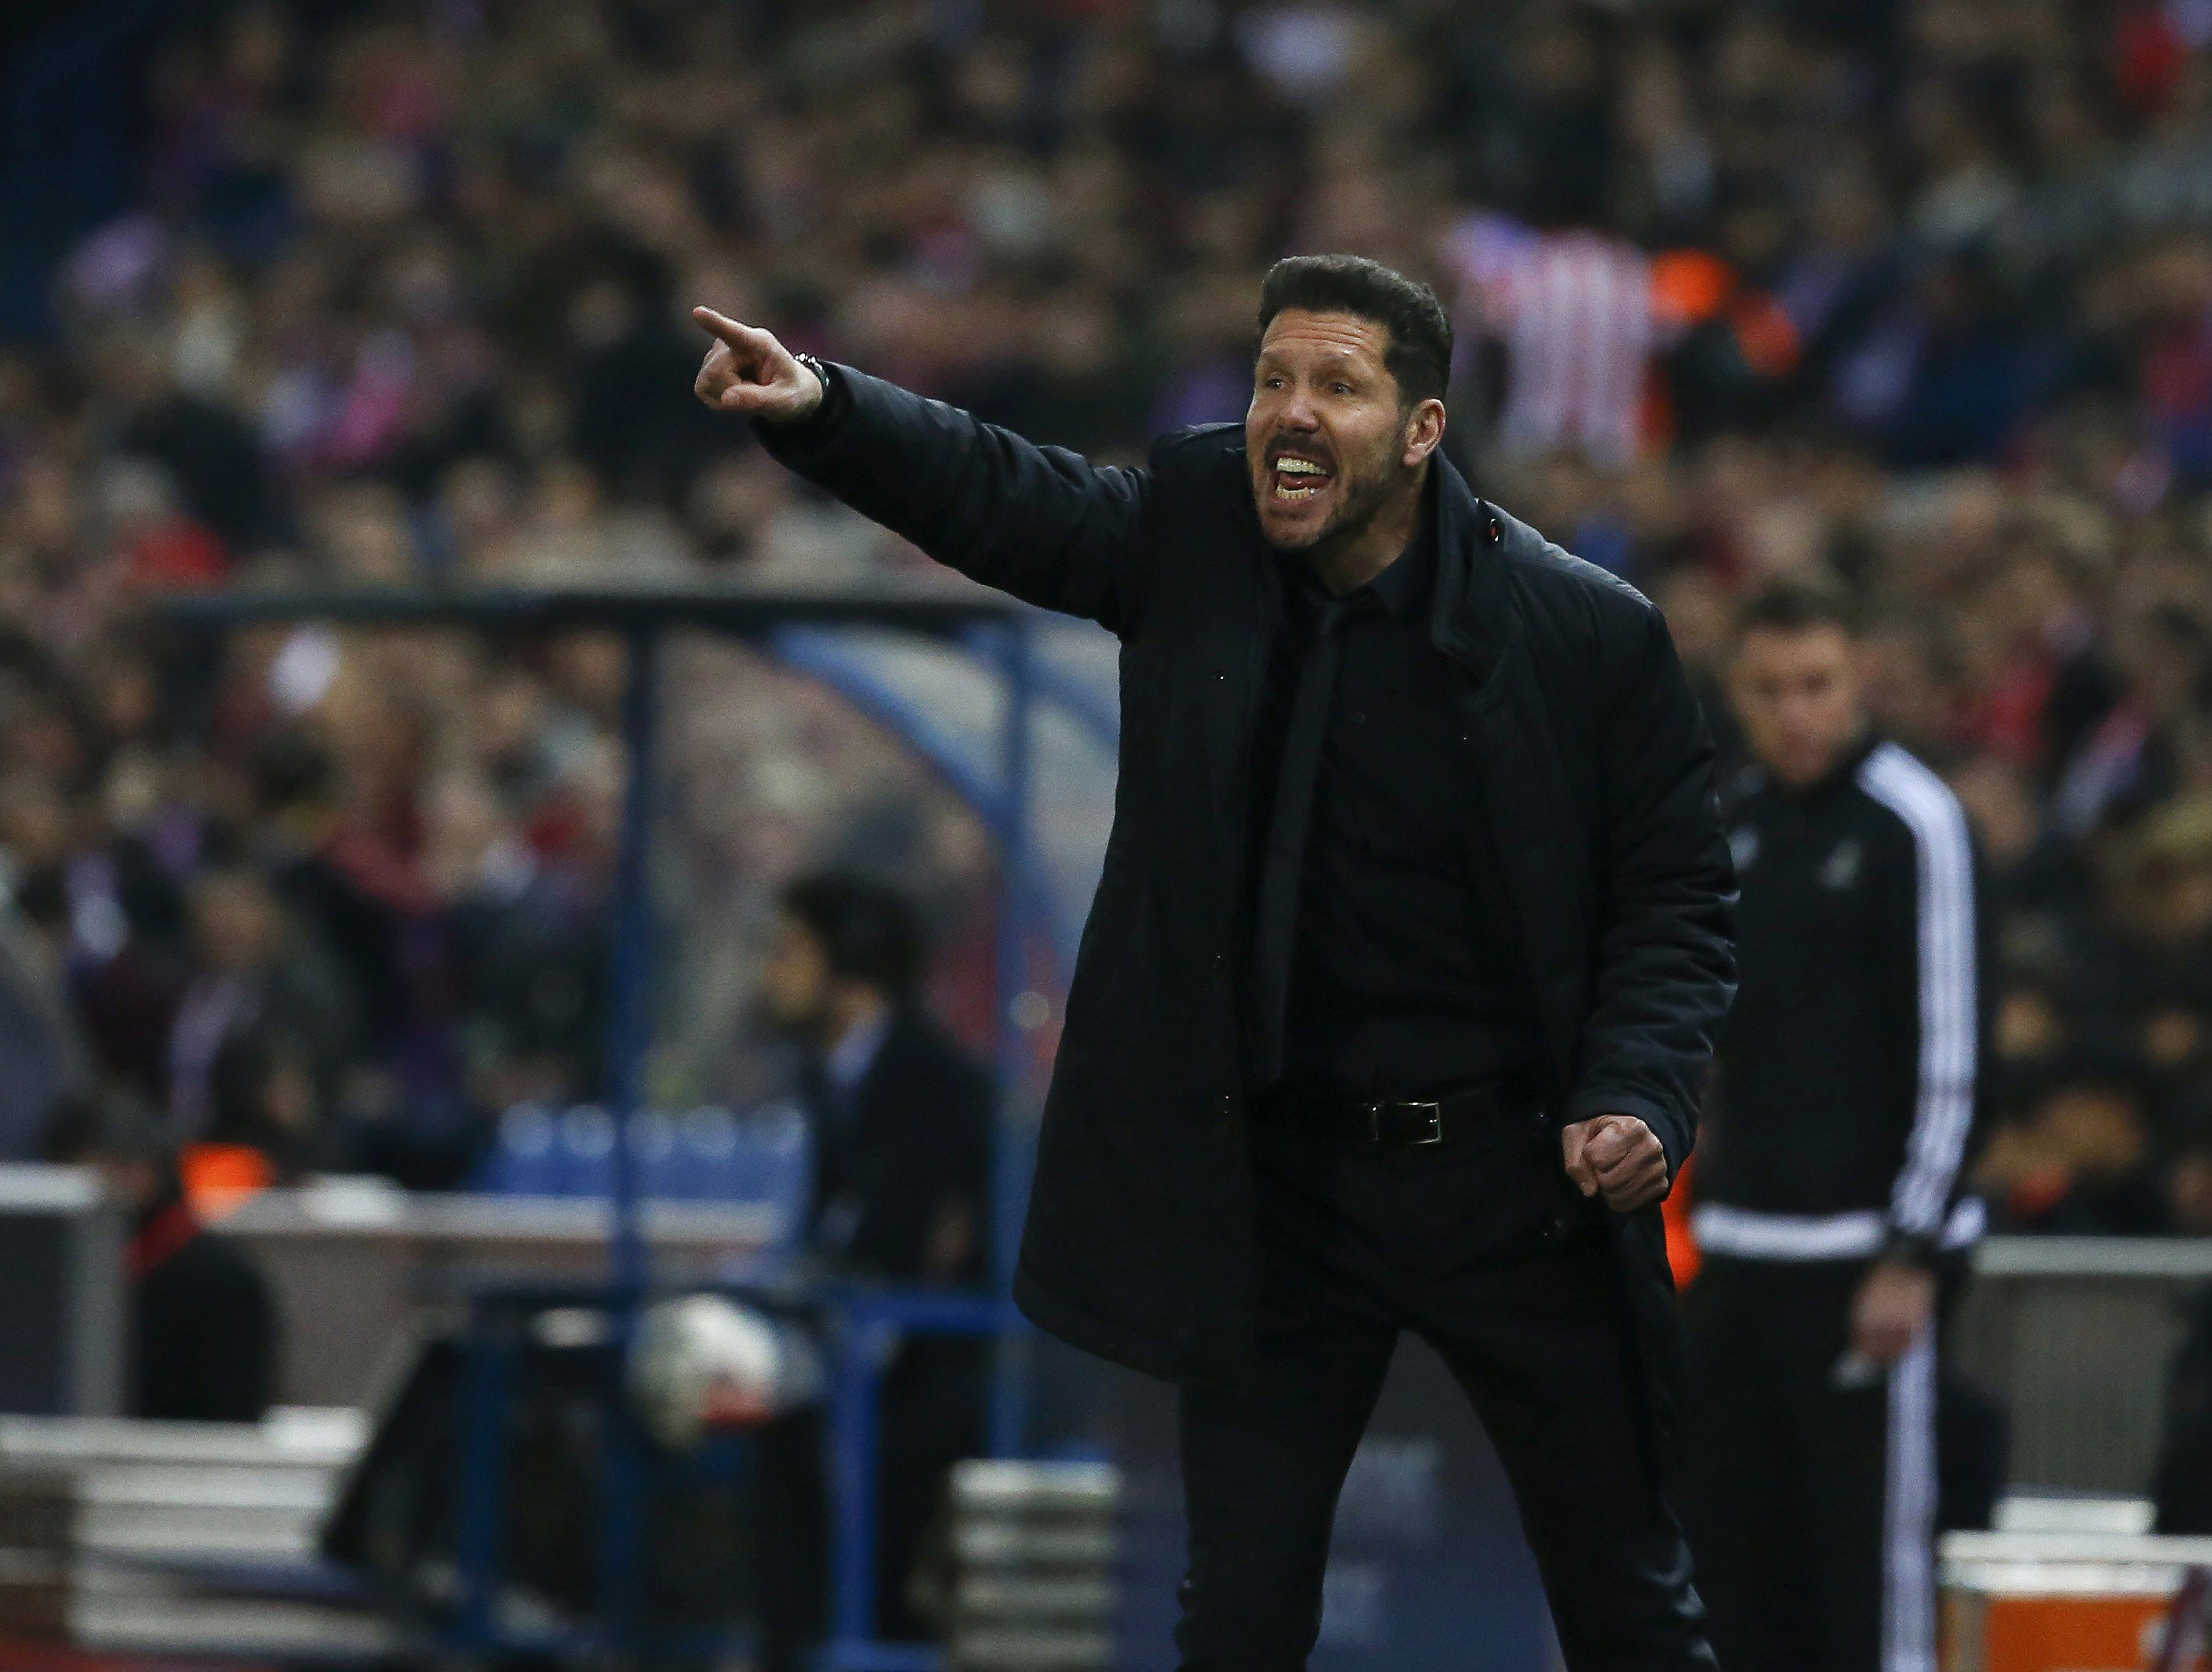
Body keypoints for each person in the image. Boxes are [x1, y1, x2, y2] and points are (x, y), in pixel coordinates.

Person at [693, 252, 1736, 1669]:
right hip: (1285, 1188)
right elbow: (1009, 495)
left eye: (1339, 387)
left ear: (1424, 431)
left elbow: (1675, 896)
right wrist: (822, 407)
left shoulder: (1583, 634)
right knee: (1235, 1615)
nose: (1291, 414)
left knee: (1626, 1600)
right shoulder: (1196, 532)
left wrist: (1640, 1093)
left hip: (1517, 1183)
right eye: (1272, 379)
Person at [1681, 575, 1984, 1672]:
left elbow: (1954, 1057)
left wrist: (1911, 1247)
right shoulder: (1735, 818)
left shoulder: (1916, 819)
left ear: (1859, 678)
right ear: (1738, 694)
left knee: (1868, 1582)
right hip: (1737, 1251)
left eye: (1815, 684)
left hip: (1862, 1260)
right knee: (1728, 1571)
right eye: (1769, 689)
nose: (1795, 711)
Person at [754, 872, 993, 1652]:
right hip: (851, 1357)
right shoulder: (830, 1074)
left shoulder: (933, 1079)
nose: (772, 974)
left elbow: (917, 1244)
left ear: (847, 968)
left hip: (935, 1372)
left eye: (791, 952)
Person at [41, 1084, 276, 1423]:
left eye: (123, 1165)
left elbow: (230, 1417)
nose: (106, 1183)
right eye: (90, 1167)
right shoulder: (47, 1271)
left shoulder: (220, 1282)